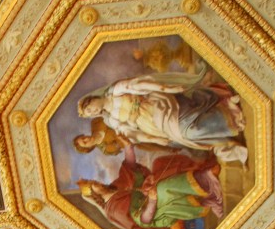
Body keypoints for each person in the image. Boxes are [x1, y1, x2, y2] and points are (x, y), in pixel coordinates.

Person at [77, 64, 247, 164]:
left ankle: (227, 111)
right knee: (185, 137)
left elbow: (141, 85)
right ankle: (226, 131)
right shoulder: (111, 121)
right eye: (90, 113)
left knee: (188, 132)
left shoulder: (115, 91)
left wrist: (166, 88)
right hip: (153, 127)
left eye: (89, 108)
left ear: (92, 99)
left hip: (157, 106)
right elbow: (131, 134)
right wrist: (154, 139)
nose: (93, 112)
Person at [77, 144, 223, 229]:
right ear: (94, 194)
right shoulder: (114, 210)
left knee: (159, 164)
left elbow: (130, 169)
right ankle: (205, 181)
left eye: (94, 181)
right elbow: (144, 220)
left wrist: (128, 147)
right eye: (94, 185)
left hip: (151, 197)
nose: (97, 182)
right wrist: (152, 199)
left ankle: (200, 170)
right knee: (163, 189)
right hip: (155, 214)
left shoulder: (114, 187)